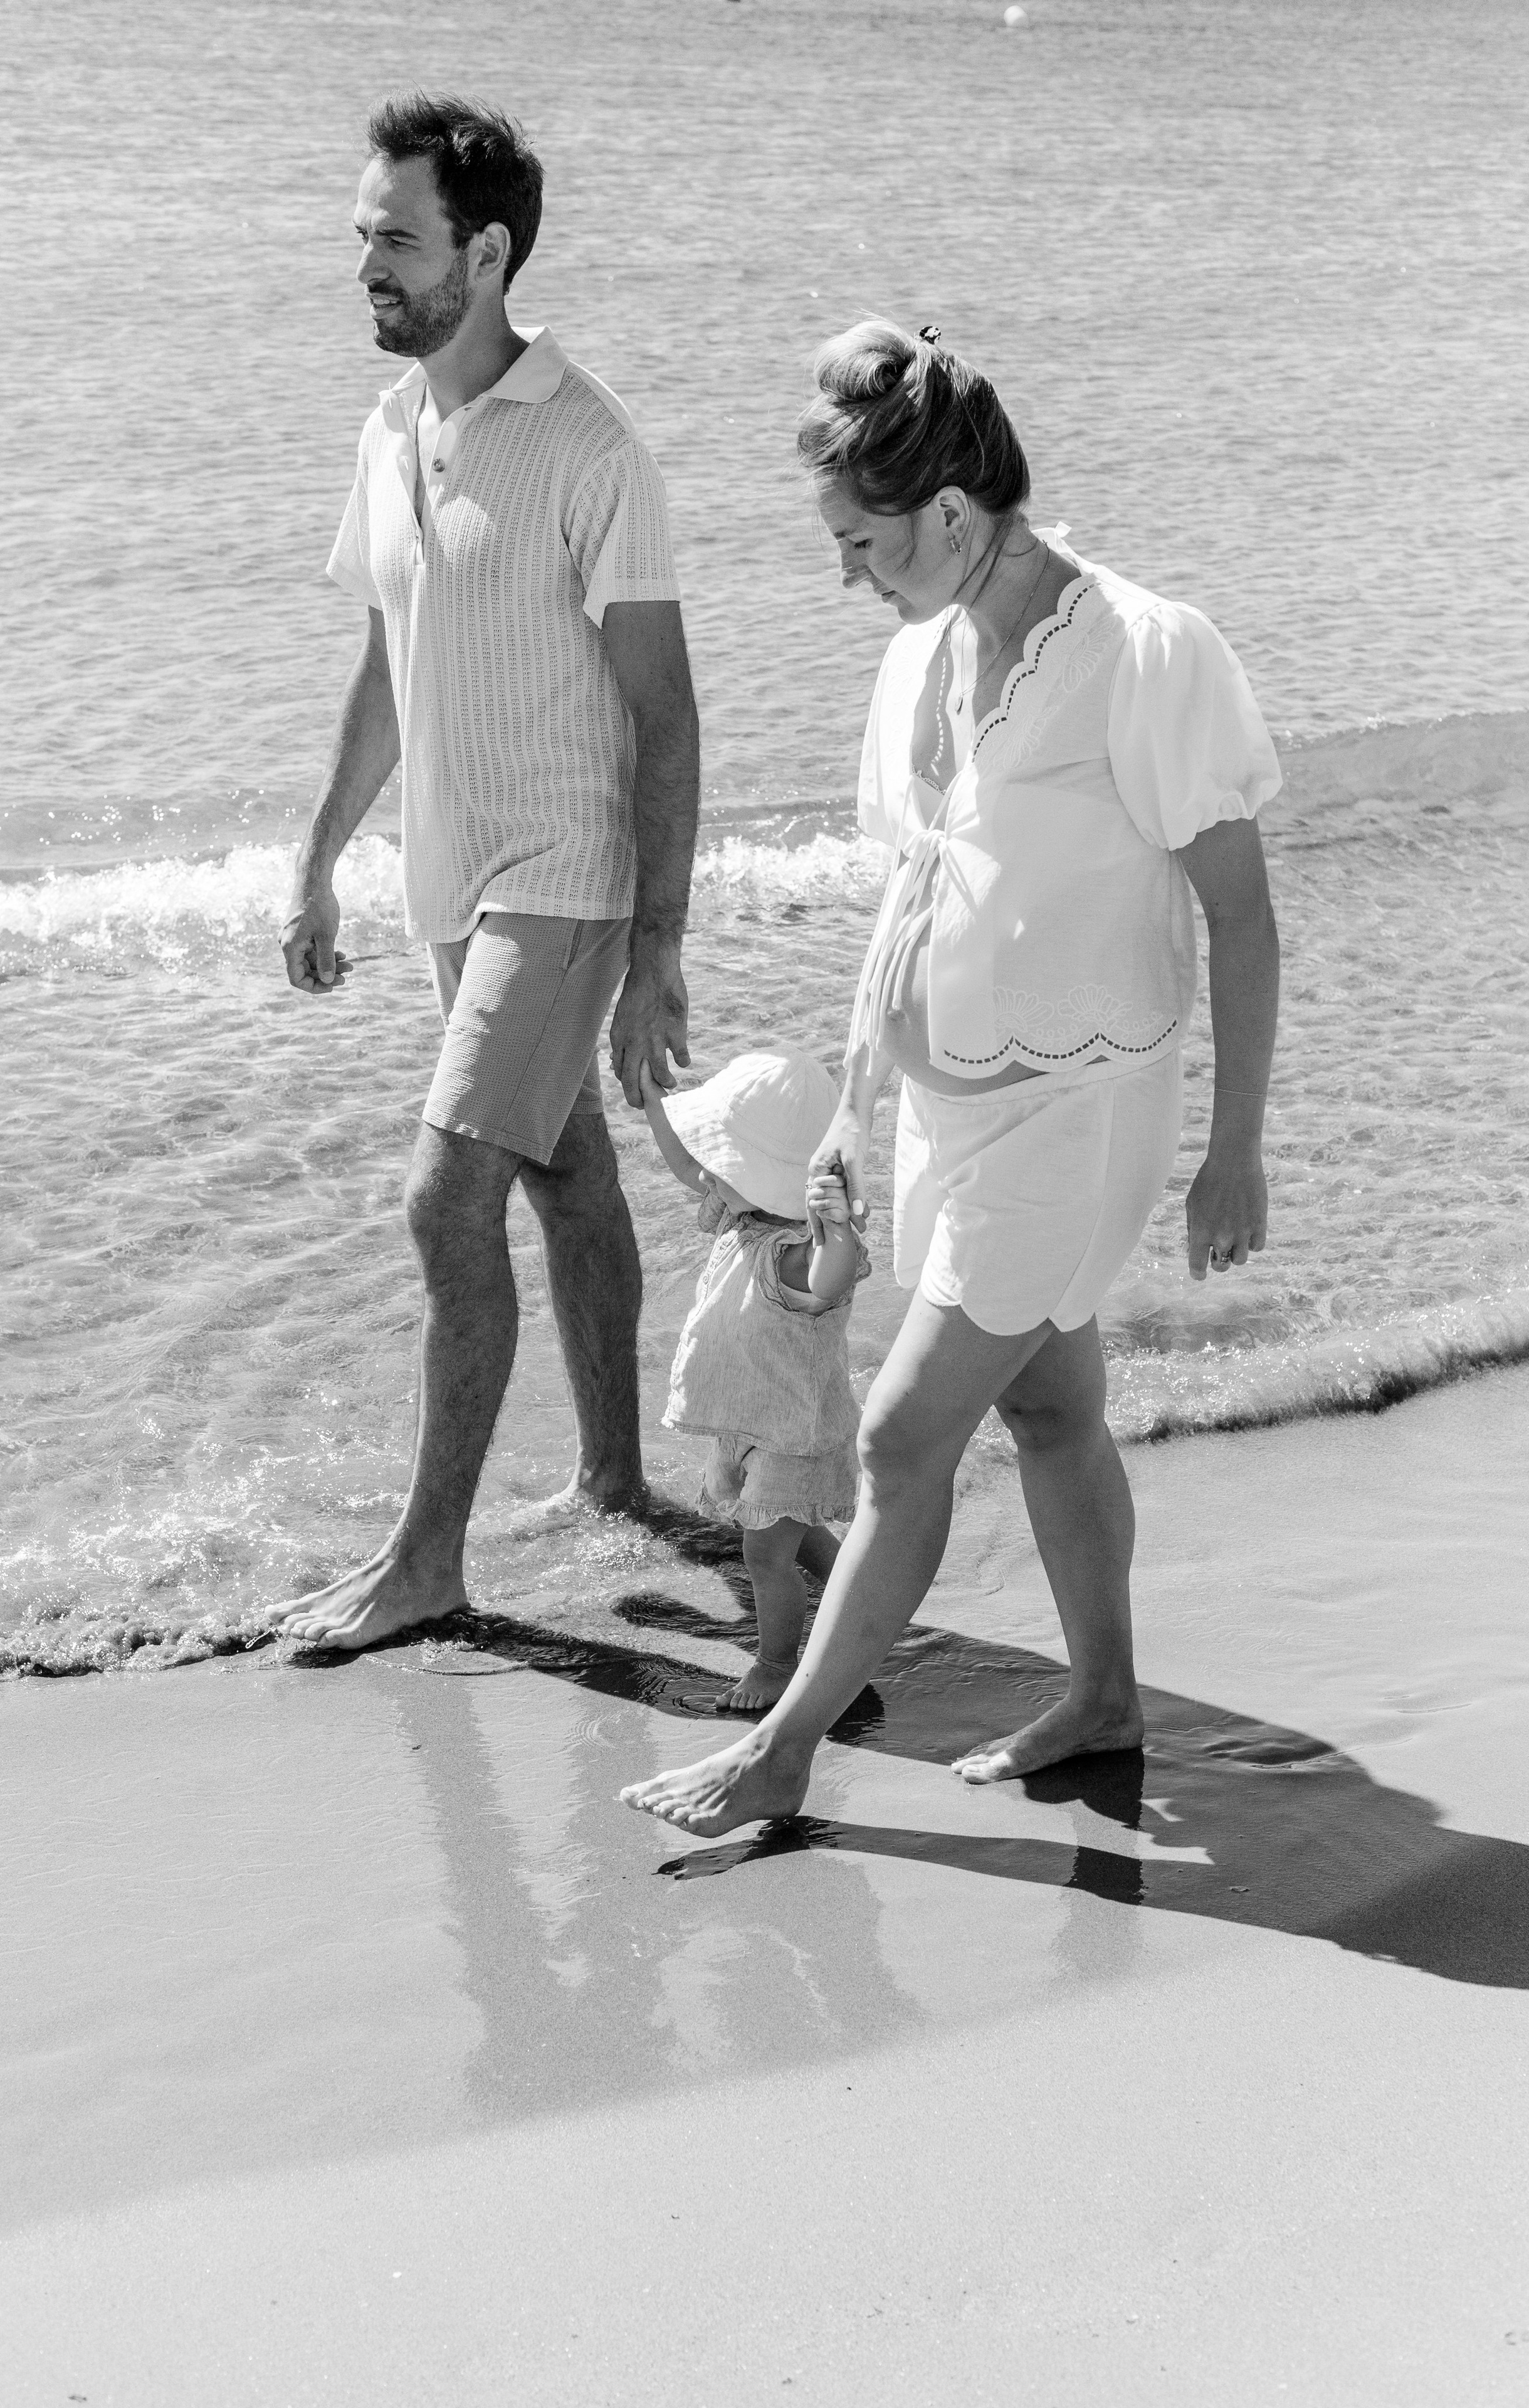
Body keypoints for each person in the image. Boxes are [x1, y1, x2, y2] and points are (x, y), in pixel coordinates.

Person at [620, 319, 1281, 1836]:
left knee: (899, 1434)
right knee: (1050, 1410)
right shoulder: (919, 649)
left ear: (947, 512)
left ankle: (780, 1748)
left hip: (1078, 1108)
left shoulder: (1140, 651)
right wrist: (857, 1111)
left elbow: (1235, 911)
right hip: (946, 1111)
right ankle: (1105, 1693)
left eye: (859, 540)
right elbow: (915, 898)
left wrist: (1229, 1145)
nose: (846, 572)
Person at [272, 95, 698, 1650]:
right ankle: (615, 1481)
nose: (368, 266)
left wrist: (656, 942)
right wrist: (320, 859)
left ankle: (427, 1561)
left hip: (563, 880)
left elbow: (664, 709)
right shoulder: (392, 429)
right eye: (363, 236)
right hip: (450, 887)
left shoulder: (591, 447)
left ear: (488, 249)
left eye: (398, 238)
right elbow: (387, 658)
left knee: (444, 1200)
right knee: (565, 1173)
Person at [640, 1048, 869, 1711]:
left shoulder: (804, 1252)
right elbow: (687, 1164)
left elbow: (832, 1279)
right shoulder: (742, 1213)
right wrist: (654, 1101)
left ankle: (775, 1664)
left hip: (793, 1435)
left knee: (767, 1555)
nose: (707, 1172)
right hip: (750, 1423)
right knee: (805, 1540)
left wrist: (836, 1230)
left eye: (725, 1160)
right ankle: (868, 1606)